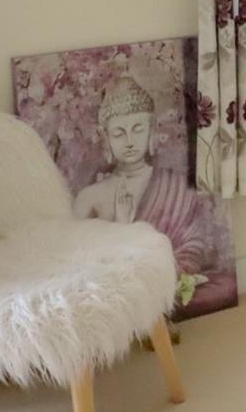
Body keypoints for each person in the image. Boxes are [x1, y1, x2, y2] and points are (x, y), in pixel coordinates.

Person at [72, 77, 216, 300]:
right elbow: (78, 263)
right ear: (105, 136)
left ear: (152, 129)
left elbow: (196, 244)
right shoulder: (89, 197)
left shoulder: (177, 186)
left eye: (138, 129)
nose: (130, 141)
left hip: (172, 284)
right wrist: (122, 227)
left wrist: (170, 275)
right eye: (119, 133)